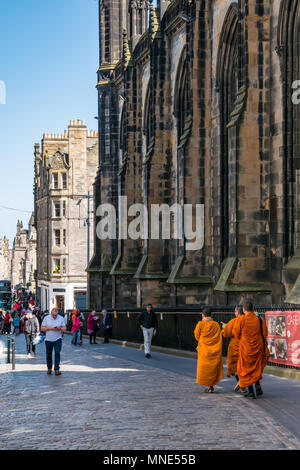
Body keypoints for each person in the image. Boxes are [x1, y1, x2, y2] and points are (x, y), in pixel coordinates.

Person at [233, 300, 269, 398]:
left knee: (245, 370)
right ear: (253, 309)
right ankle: (257, 384)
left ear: (244, 310)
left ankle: (251, 391)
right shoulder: (260, 319)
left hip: (246, 348)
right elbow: (265, 333)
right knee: (256, 367)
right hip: (258, 347)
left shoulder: (240, 320)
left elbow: (236, 334)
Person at [194, 308, 223, 393]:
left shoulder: (200, 324)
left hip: (204, 350)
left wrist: (200, 342)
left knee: (205, 369)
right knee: (212, 368)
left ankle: (209, 386)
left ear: (203, 315)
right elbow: (219, 338)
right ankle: (211, 386)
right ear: (211, 315)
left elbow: (196, 336)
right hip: (214, 349)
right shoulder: (216, 325)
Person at [221, 305, 244, 391]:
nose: (235, 313)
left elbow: (226, 334)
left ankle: (241, 383)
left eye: (235, 311)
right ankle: (244, 386)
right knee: (243, 365)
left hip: (235, 345)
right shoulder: (247, 320)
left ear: (237, 312)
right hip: (245, 345)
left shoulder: (234, 321)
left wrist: (225, 327)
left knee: (234, 366)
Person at [41, 308, 66, 376]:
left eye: (56, 315)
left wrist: (59, 328)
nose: (54, 316)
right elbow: (42, 328)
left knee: (57, 353)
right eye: (53, 315)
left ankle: (57, 369)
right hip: (48, 339)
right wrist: (50, 328)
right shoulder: (46, 318)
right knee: (49, 355)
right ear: (51, 313)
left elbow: (64, 328)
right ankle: (49, 368)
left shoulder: (60, 318)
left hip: (58, 339)